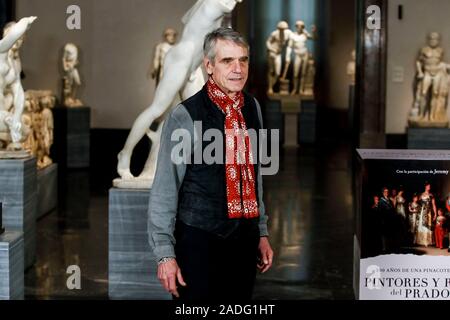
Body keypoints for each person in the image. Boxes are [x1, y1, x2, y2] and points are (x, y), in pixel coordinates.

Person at [147, 27, 273, 301]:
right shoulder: (185, 115)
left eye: (243, 59)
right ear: (209, 66)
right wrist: (164, 255)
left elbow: (256, 174)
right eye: (228, 61)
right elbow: (165, 189)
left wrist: (261, 232)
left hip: (244, 241)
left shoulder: (252, 107)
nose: (238, 69)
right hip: (199, 241)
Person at [117, 0, 243, 183]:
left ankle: (160, 168)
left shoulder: (209, 5)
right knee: (157, 109)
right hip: (182, 60)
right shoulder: (214, 5)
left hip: (192, 67)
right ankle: (125, 154)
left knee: (200, 117)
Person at [0, 16, 36, 150]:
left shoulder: (16, 63)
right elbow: (13, 35)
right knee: (14, 128)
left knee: (24, 131)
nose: (16, 40)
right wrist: (25, 22)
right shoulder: (0, 51)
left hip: (3, 112)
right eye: (14, 36)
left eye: (21, 38)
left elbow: (18, 92)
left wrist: (17, 117)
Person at [285, 20, 316, 95]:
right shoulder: (293, 35)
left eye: (301, 26)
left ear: (303, 27)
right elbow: (289, 46)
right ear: (296, 27)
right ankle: (295, 88)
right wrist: (287, 56)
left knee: (303, 73)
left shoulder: (305, 34)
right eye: (298, 26)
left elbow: (313, 38)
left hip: (305, 54)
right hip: (298, 55)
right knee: (296, 73)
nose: (300, 28)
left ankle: (301, 89)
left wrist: (313, 31)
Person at [265, 21, 292, 95]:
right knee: (271, 71)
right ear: (278, 29)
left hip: (278, 54)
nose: (282, 30)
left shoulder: (288, 33)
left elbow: (292, 42)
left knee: (277, 73)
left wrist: (288, 56)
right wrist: (272, 49)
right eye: (280, 29)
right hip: (272, 53)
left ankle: (271, 85)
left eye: (283, 29)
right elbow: (268, 42)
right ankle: (270, 88)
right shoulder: (274, 33)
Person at [62, 43, 83, 107]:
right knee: (69, 84)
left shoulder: (75, 49)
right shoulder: (67, 48)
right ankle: (68, 99)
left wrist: (75, 63)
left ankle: (72, 98)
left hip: (73, 67)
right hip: (69, 67)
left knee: (77, 82)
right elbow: (64, 58)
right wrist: (65, 66)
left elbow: (74, 59)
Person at [416, 182, 436, 247]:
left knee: (428, 225)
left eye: (430, 186)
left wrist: (435, 213)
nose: (429, 187)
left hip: (428, 212)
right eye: (428, 186)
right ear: (426, 186)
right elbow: (418, 203)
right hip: (422, 212)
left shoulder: (431, 195)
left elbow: (433, 205)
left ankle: (427, 241)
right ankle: (422, 241)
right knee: (422, 225)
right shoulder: (421, 195)